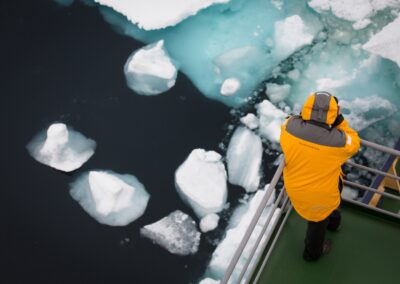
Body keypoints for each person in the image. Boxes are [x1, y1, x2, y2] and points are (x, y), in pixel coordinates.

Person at [279, 91, 360, 261]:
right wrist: (339, 121)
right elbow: (354, 142)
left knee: (327, 210)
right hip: (320, 196)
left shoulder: (289, 128)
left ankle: (333, 223)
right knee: (317, 222)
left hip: (294, 188)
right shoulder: (339, 142)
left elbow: (290, 120)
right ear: (334, 112)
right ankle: (312, 253)